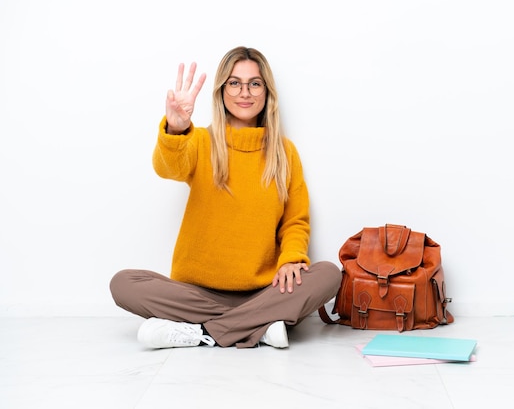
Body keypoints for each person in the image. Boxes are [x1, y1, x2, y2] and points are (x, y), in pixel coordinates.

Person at [110, 46, 342, 349]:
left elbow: (295, 222)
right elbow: (167, 168)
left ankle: (203, 332)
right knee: (123, 283)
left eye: (254, 83)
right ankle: (259, 325)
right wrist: (176, 130)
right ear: (221, 91)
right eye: (234, 83)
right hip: (195, 293)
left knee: (328, 275)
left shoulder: (285, 153)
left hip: (264, 290)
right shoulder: (200, 141)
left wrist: (291, 260)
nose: (244, 92)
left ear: (267, 92)